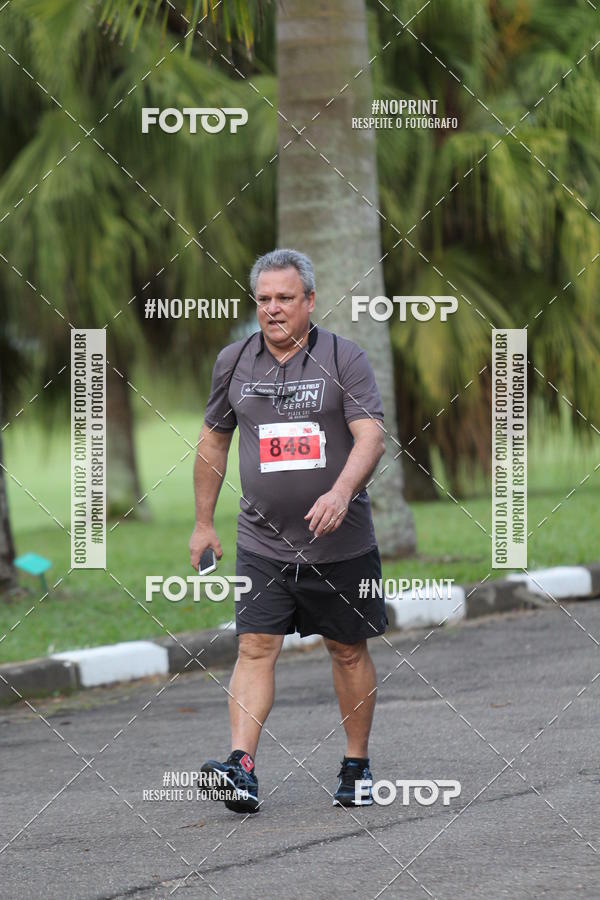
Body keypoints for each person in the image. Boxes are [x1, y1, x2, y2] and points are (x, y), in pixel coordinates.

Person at [190, 248, 388, 813]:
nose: (272, 309)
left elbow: (371, 436)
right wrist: (203, 523)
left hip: (340, 541)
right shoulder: (234, 361)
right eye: (263, 299)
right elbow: (213, 442)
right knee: (254, 647)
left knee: (346, 650)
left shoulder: (344, 357)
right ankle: (242, 768)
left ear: (310, 300)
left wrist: (340, 492)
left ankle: (356, 765)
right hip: (262, 540)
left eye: (284, 298)